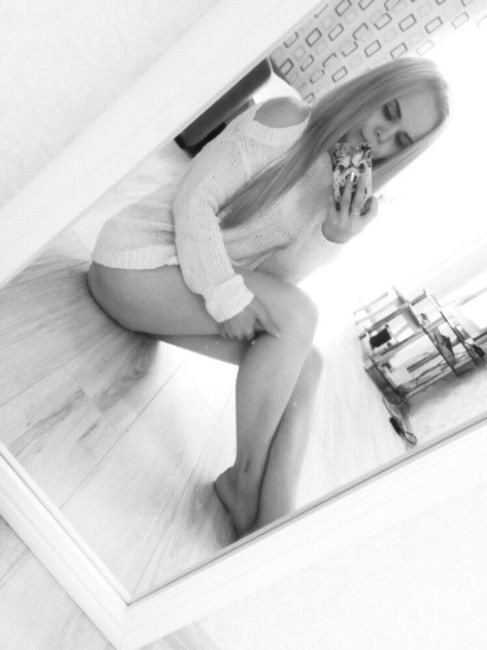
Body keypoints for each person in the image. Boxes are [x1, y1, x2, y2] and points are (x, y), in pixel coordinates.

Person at [86, 57, 449, 537]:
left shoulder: (345, 192)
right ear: (370, 90)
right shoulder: (286, 119)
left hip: (175, 291)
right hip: (133, 263)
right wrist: (227, 297)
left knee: (308, 364)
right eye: (389, 111)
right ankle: (244, 479)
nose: (383, 136)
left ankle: (275, 523)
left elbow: (273, 280)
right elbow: (194, 200)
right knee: (300, 316)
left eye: (400, 140)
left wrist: (332, 236)